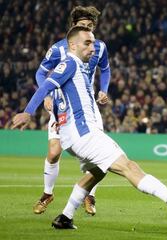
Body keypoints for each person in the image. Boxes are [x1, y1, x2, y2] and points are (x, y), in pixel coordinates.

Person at [12, 26, 167, 230]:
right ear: (72, 45)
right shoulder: (69, 63)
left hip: (74, 137)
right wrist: (28, 112)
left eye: (94, 43)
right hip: (85, 134)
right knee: (129, 167)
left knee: (97, 172)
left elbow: (103, 70)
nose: (93, 48)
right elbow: (45, 85)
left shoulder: (79, 66)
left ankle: (65, 217)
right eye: (87, 43)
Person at [33, 6, 110, 216]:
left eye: (90, 26)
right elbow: (40, 74)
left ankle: (90, 195)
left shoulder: (99, 47)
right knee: (54, 151)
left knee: (96, 154)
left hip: (88, 108)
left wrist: (103, 89)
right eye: (83, 25)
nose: (87, 29)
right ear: (73, 27)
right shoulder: (58, 49)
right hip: (61, 105)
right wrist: (47, 96)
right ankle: (47, 194)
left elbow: (105, 69)